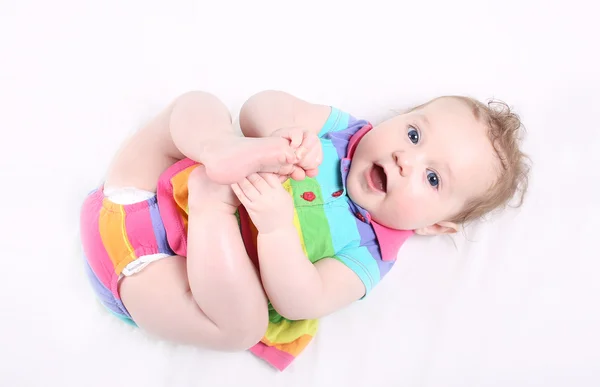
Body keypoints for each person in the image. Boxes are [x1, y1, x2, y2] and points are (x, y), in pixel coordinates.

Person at [79, 90, 530, 370]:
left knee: (244, 326)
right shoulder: (342, 133)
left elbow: (302, 300)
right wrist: (283, 131)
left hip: (149, 277)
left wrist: (276, 228)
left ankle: (213, 206)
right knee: (199, 106)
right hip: (136, 185)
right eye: (413, 135)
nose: (405, 160)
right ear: (397, 119)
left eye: (433, 179)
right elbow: (260, 104)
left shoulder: (368, 254)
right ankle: (217, 148)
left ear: (434, 225)